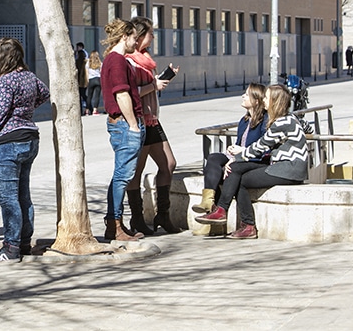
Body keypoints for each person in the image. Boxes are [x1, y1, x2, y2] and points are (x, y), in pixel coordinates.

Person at [195, 85, 311, 239]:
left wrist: (236, 158)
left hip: (288, 169)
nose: (264, 100)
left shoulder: (282, 122)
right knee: (238, 177)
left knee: (238, 177)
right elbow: (306, 128)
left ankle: (232, 216)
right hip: (286, 168)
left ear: (275, 101)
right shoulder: (288, 119)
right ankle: (240, 222)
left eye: (266, 97)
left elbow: (260, 146)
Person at [0, 37, 50, 263]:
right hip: (28, 139)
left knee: (9, 199)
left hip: (7, 144)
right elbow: (44, 93)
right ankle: (24, 242)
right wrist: (23, 112)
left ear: (5, 56)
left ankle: (11, 248)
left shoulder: (6, 82)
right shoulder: (29, 77)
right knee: (22, 195)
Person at [124, 17, 181, 236]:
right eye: (150, 34)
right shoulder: (129, 61)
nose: (153, 37)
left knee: (169, 164)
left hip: (153, 120)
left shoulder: (146, 60)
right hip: (139, 121)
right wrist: (153, 85)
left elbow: (148, 86)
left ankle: (162, 215)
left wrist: (161, 79)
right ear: (139, 36)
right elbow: (129, 94)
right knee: (135, 172)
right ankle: (137, 219)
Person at [191, 83, 269, 214]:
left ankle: (215, 211)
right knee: (213, 158)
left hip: (253, 160)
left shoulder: (265, 120)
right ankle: (207, 201)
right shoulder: (244, 120)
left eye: (247, 94)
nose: (242, 96)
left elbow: (263, 149)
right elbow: (239, 143)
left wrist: (239, 154)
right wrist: (232, 152)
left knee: (226, 171)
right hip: (238, 157)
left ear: (256, 101)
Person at [100, 18, 145, 242]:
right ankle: (115, 225)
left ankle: (115, 224)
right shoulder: (116, 61)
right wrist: (134, 125)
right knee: (122, 176)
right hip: (125, 124)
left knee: (121, 175)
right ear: (124, 36)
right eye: (134, 37)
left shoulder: (115, 60)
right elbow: (121, 93)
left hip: (122, 123)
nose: (136, 42)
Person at [86, 51, 102, 115]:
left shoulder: (88, 63)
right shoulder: (100, 63)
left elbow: (87, 73)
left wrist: (87, 81)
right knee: (97, 96)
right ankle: (95, 110)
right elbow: (101, 72)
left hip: (91, 79)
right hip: (98, 79)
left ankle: (87, 110)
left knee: (89, 96)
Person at [75, 42, 88, 115]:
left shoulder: (81, 54)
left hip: (81, 78)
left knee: (81, 94)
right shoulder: (83, 54)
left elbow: (79, 66)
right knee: (82, 94)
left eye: (77, 47)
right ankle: (87, 107)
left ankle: (86, 107)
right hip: (82, 78)